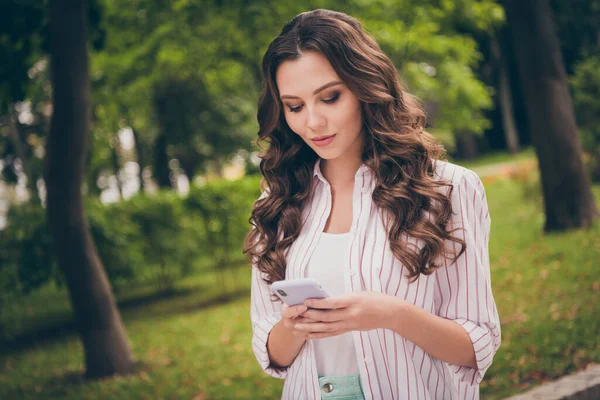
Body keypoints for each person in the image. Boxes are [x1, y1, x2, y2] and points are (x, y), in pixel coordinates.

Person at [243, 9, 501, 400]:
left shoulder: (447, 189)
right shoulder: (276, 202)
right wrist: (293, 326)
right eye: (295, 106)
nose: (313, 121)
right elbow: (274, 356)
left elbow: (477, 344)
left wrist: (389, 314)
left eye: (330, 97)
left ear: (366, 87)